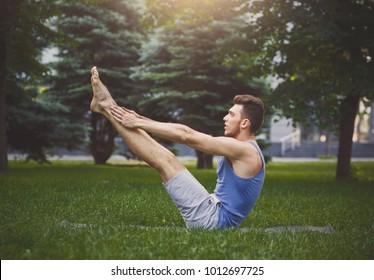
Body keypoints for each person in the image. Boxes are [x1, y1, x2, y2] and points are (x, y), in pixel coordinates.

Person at [90, 66, 265, 230]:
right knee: (165, 157)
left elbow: (186, 135)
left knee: (165, 159)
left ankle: (106, 106)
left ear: (245, 123)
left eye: (231, 114)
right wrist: (141, 120)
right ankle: (106, 106)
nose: (225, 118)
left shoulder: (245, 151)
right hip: (213, 209)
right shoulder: (245, 148)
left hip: (214, 220)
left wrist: (140, 122)